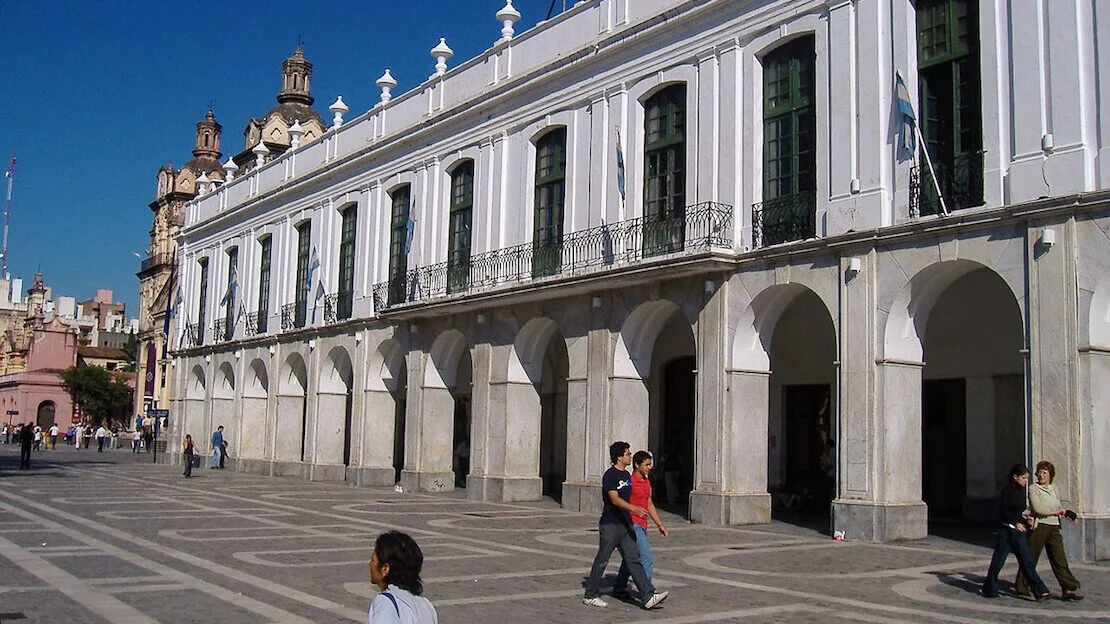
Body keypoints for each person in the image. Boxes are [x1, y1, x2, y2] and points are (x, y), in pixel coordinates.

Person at [582, 441, 669, 610]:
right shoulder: (611, 475)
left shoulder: (626, 476)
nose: (630, 455)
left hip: (626, 525)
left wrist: (656, 522)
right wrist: (634, 509)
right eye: (628, 453)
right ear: (619, 457)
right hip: (610, 524)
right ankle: (590, 595)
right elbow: (614, 499)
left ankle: (648, 596)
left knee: (633, 560)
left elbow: (644, 500)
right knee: (602, 560)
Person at [980, 464, 1054, 600]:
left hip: (1018, 532)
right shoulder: (1007, 491)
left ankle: (1040, 591)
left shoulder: (1021, 491)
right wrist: (1015, 523)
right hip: (1006, 531)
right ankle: (989, 588)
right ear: (1015, 477)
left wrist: (1027, 520)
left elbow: (1020, 512)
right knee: (998, 561)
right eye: (1023, 478)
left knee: (1027, 561)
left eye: (1027, 478)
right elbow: (1004, 511)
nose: (1026, 481)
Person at [1015, 461, 1083, 600]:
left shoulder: (1054, 488)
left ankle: (1068, 588)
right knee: (1031, 557)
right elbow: (1038, 508)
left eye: (1044, 472)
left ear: (1050, 475)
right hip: (1040, 526)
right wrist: (1056, 511)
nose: (1041, 475)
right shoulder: (1034, 489)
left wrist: (1065, 512)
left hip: (1054, 526)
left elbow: (1058, 505)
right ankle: (1021, 586)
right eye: (1039, 472)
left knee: (1059, 558)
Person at [611, 450, 668, 600]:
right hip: (632, 524)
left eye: (650, 464)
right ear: (637, 465)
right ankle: (647, 593)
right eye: (647, 464)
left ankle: (619, 588)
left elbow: (649, 503)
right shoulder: (629, 483)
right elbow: (620, 502)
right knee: (646, 557)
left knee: (630, 558)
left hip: (642, 525)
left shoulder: (647, 481)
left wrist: (659, 524)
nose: (649, 467)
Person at [367, 530, 438, 623]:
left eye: (373, 560)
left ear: (385, 569)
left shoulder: (385, 603)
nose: (370, 564)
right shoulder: (426, 605)